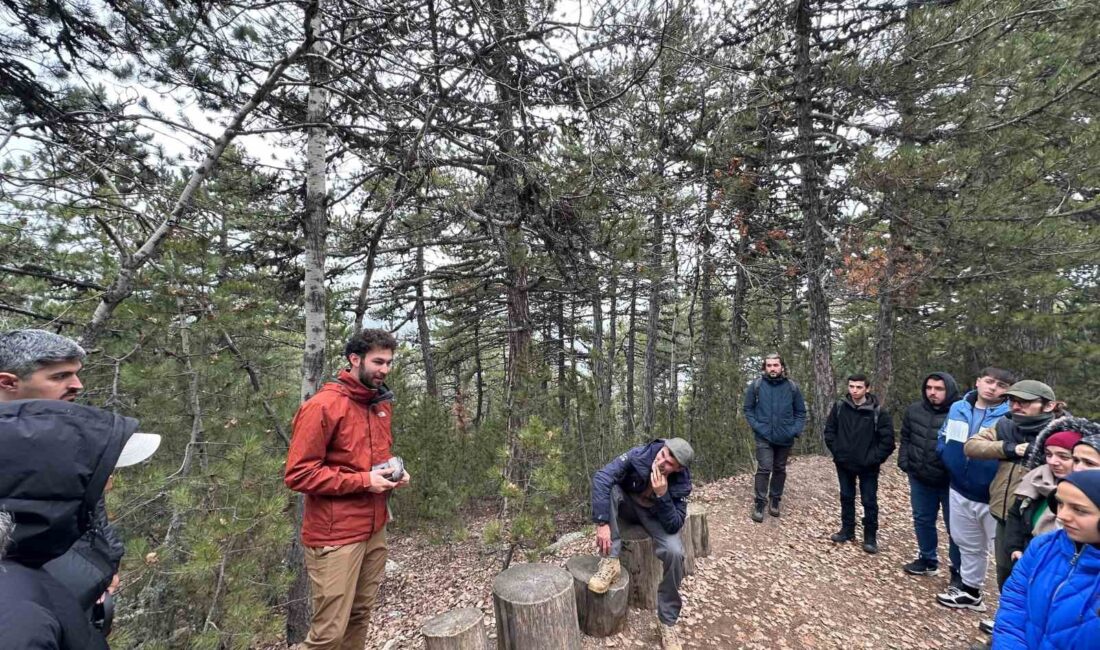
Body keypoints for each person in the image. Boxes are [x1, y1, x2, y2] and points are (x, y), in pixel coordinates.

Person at [0, 329, 160, 636]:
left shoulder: (71, 440)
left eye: (75, 374)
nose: (77, 385)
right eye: (60, 376)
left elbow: (87, 519)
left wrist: (100, 568)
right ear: (8, 382)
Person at [284, 328, 411, 650]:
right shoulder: (323, 407)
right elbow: (299, 475)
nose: (384, 369)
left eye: (389, 362)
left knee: (360, 615)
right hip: (335, 536)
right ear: (354, 359)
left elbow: (372, 460)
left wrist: (393, 473)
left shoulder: (379, 404)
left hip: (374, 528)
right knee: (328, 635)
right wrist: (365, 481)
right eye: (378, 361)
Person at [587, 438, 694, 650]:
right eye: (663, 454)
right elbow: (602, 477)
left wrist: (662, 495)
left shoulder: (682, 482)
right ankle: (610, 562)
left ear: (679, 468)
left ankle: (667, 622)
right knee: (610, 488)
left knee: (674, 552)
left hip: (654, 515)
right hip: (627, 505)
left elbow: (674, 524)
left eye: (670, 463)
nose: (661, 462)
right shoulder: (640, 455)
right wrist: (602, 522)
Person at [963, 380, 1062, 590]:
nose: (1016, 406)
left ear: (1049, 405)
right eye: (1013, 401)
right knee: (1005, 574)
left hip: (1039, 523)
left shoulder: (1060, 435)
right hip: (1004, 514)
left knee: (1035, 581)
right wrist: (1011, 449)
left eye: (1024, 402)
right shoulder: (1006, 424)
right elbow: (972, 445)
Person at [935, 367, 1014, 612]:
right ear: (978, 381)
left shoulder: (1010, 416)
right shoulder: (959, 407)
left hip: (993, 495)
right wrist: (945, 455)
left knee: (1003, 553)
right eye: (989, 381)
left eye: (1001, 385)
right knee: (966, 542)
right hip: (959, 487)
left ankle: (1010, 610)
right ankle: (971, 591)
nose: (993, 388)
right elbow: (945, 435)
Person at [992, 470, 1100, 649]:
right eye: (1059, 503)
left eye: (1079, 510)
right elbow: (1014, 602)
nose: (1062, 515)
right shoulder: (1043, 546)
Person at [1004, 417, 1100, 563]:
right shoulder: (1035, 479)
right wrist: (1014, 547)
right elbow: (1015, 514)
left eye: (1063, 456)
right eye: (1048, 454)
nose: (1053, 462)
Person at [898, 372, 962, 582]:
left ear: (949, 390)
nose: (933, 393)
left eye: (939, 389)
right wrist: (905, 461)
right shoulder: (914, 410)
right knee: (922, 520)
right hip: (920, 476)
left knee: (955, 527)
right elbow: (906, 436)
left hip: (950, 481)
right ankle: (927, 559)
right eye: (929, 388)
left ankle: (959, 570)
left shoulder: (960, 412)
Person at [824, 374, 895, 554]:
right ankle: (847, 530)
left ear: (867, 389)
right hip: (844, 463)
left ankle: (870, 537)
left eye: (858, 387)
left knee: (869, 500)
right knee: (846, 496)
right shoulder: (840, 407)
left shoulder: (878, 412)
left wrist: (874, 458)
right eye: (851, 386)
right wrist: (838, 452)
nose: (854, 390)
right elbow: (830, 431)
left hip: (868, 466)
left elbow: (888, 441)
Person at [742, 353, 807, 522]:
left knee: (779, 468)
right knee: (764, 467)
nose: (772, 368)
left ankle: (775, 499)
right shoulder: (756, 386)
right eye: (769, 365)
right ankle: (759, 502)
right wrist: (757, 426)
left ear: (782, 367)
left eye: (775, 365)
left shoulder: (792, 387)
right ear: (765, 367)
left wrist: (794, 430)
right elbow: (748, 409)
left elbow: (800, 411)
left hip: (785, 436)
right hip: (763, 435)